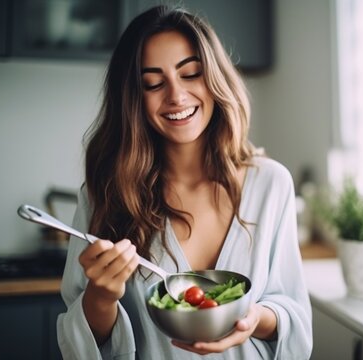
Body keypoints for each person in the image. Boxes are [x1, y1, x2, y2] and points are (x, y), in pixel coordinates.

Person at [56, 5, 312, 359]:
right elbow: (77, 344)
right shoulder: (106, 194)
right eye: (153, 83)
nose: (176, 95)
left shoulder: (270, 185)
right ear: (134, 99)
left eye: (190, 74)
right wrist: (101, 296)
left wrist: (254, 319)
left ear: (214, 78)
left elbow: (293, 314)